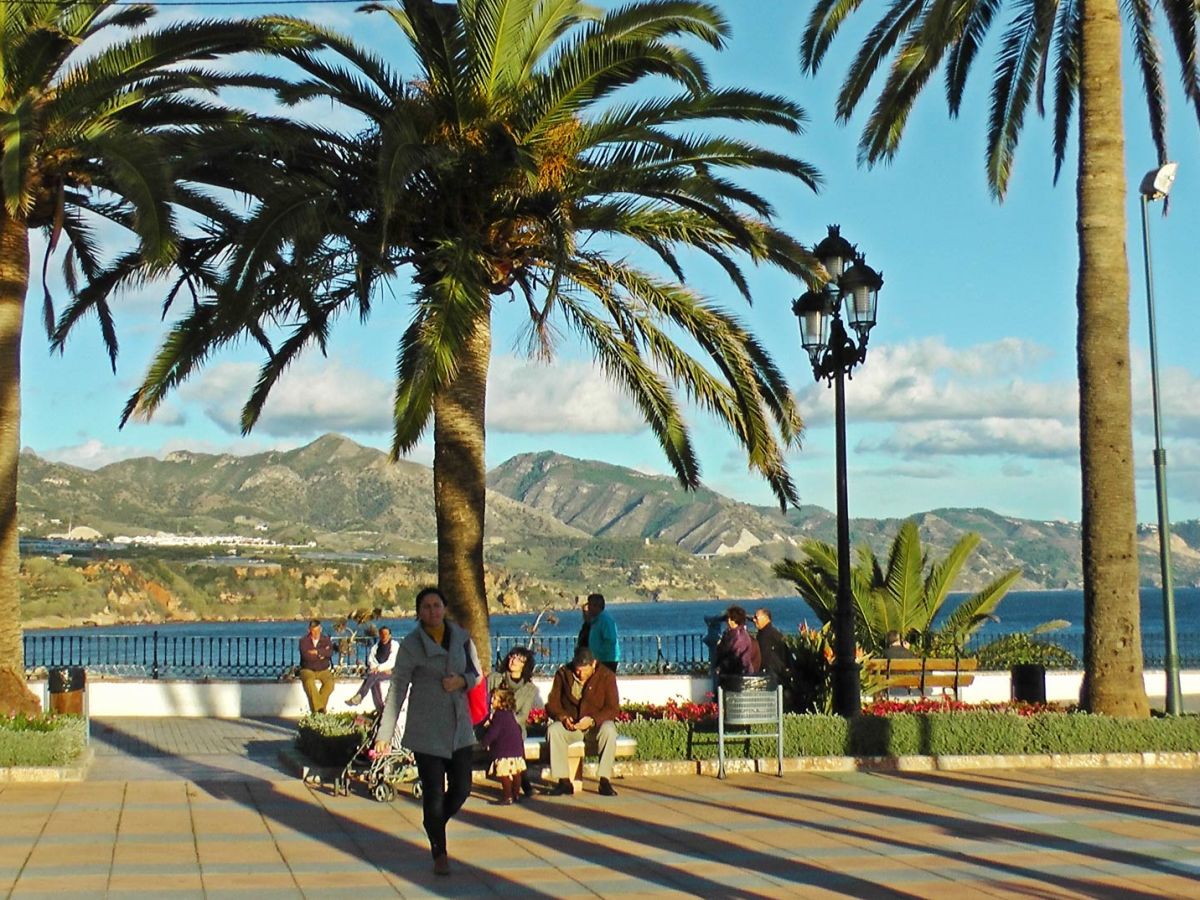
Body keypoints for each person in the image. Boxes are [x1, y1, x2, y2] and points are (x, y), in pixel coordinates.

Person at [375, 587, 482, 877]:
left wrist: (461, 681)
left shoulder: (461, 637)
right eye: (426, 607)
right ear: (418, 612)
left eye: (436, 605)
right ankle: (440, 852)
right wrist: (385, 734)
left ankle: (433, 823)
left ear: (444, 608)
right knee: (434, 793)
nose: (432, 611)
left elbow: (478, 674)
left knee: (462, 788)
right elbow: (397, 689)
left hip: (459, 728)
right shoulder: (411, 645)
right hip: (426, 730)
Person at [545, 647, 620, 797]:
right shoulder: (563, 674)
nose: (580, 674)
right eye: (577, 670)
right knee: (554, 730)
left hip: (595, 726)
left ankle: (604, 780)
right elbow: (552, 704)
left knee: (609, 730)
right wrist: (563, 717)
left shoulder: (606, 676)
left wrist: (592, 720)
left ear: (593, 664)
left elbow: (613, 709)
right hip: (573, 726)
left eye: (584, 670)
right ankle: (564, 781)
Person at [485, 647, 541, 797]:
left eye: (518, 659)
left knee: (514, 736)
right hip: (491, 724)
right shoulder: (495, 678)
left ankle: (519, 786)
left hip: (514, 728)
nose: (513, 661)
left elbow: (522, 716)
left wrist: (506, 722)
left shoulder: (529, 689)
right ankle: (522, 784)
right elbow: (484, 703)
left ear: (525, 665)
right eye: (511, 657)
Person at [479, 688, 526, 805]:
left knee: (504, 775)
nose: (491, 701)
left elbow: (493, 733)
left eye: (495, 699)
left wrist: (484, 743)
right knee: (516, 774)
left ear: (502, 702)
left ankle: (507, 796)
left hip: (504, 751)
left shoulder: (499, 716)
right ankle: (516, 794)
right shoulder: (509, 715)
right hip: (516, 750)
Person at [753, 607, 796, 706]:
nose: (754, 620)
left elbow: (783, 654)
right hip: (770, 674)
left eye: (756, 617)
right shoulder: (763, 634)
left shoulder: (772, 635)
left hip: (774, 675)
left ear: (766, 618)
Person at [346, 625, 396, 710]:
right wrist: (375, 668)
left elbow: (392, 661)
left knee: (372, 676)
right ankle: (380, 709)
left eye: (386, 634)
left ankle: (360, 695)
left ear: (390, 635)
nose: (384, 636)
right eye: (382, 634)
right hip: (378, 672)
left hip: (392, 671)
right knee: (373, 679)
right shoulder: (376, 646)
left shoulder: (394, 645)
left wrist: (379, 668)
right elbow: (371, 660)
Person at [298, 618, 335, 713]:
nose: (316, 633)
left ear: (321, 629)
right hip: (307, 669)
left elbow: (330, 652)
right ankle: (320, 710)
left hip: (323, 669)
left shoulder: (326, 640)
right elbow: (306, 657)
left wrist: (317, 652)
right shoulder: (303, 641)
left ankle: (318, 710)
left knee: (330, 684)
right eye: (314, 631)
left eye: (318, 630)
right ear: (309, 630)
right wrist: (322, 655)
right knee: (309, 682)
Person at [714, 606, 757, 676]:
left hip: (738, 673)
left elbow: (735, 655)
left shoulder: (739, 636)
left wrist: (721, 667)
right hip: (732, 672)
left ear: (737, 620)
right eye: (727, 619)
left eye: (732, 619)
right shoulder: (730, 633)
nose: (728, 621)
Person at [585, 592, 620, 672]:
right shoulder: (596, 620)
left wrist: (599, 656)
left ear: (597, 606)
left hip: (606, 660)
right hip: (600, 659)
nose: (588, 608)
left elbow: (610, 640)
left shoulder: (605, 620)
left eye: (590, 605)